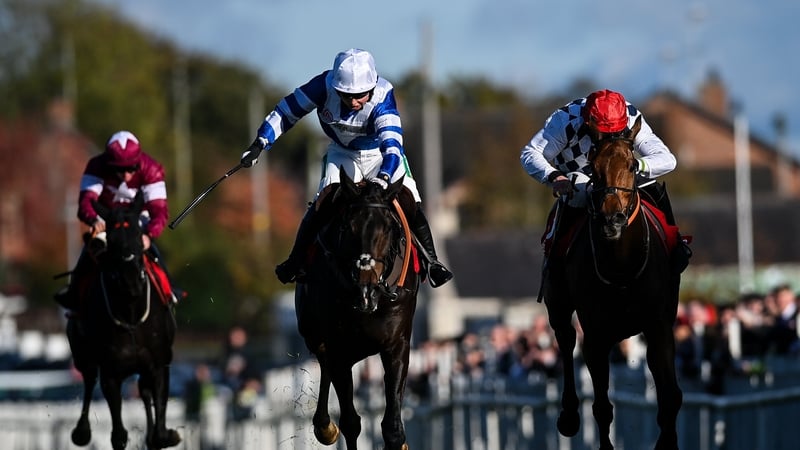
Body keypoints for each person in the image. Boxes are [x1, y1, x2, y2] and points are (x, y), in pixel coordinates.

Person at [239, 48, 453, 287]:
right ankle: (296, 261)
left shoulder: (383, 95)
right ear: (335, 87)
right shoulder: (322, 85)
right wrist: (261, 142)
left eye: (360, 95)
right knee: (323, 202)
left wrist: (383, 178)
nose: (353, 102)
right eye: (345, 95)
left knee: (409, 200)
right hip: (342, 153)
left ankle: (433, 263)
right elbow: (286, 112)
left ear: (371, 87)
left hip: (380, 156)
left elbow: (392, 147)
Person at [520, 89, 691, 273]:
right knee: (577, 194)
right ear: (588, 122)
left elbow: (668, 160)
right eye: (604, 132)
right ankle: (556, 254)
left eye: (616, 131)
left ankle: (675, 243)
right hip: (578, 175)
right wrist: (554, 176)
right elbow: (530, 153)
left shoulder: (631, 116)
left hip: (619, 172)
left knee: (651, 184)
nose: (610, 138)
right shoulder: (564, 119)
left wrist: (634, 165)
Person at [54, 130, 178, 310]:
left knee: (154, 254)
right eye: (119, 170)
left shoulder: (152, 168)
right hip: (108, 221)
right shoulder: (96, 166)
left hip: (138, 221)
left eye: (132, 168)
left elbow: (159, 211)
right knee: (89, 252)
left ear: (139, 162)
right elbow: (86, 202)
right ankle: (74, 296)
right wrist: (95, 221)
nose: (126, 175)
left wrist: (149, 235)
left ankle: (169, 291)